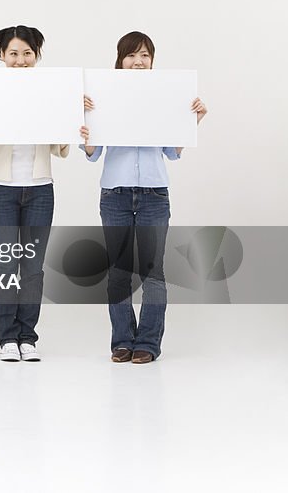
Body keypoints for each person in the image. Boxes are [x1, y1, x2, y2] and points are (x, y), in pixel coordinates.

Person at [80, 31, 208, 364]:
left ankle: (148, 343)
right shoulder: (104, 95)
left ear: (152, 61)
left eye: (145, 56)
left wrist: (191, 121)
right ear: (120, 61)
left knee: (153, 272)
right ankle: (122, 340)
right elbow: (92, 153)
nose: (138, 62)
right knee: (119, 271)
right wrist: (85, 118)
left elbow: (172, 151)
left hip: (153, 193)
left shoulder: (164, 97)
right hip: (115, 193)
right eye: (131, 55)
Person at [0, 26, 69, 362]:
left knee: (34, 267)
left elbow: (60, 146)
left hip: (40, 188)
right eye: (13, 53)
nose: (20, 60)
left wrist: (71, 123)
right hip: (1, 191)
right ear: (2, 56)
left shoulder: (48, 91)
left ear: (36, 56)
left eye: (27, 53)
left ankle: (28, 336)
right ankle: (7, 336)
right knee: (7, 263)